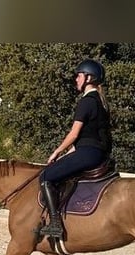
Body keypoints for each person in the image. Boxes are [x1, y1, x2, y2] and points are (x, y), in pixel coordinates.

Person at [38, 58, 113, 240]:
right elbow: (87, 136)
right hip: (96, 152)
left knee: (46, 176)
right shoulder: (100, 102)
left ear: (88, 78)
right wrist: (70, 153)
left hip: (89, 153)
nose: (76, 80)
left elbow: (74, 134)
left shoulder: (86, 102)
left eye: (78, 76)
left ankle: (55, 224)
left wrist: (57, 152)